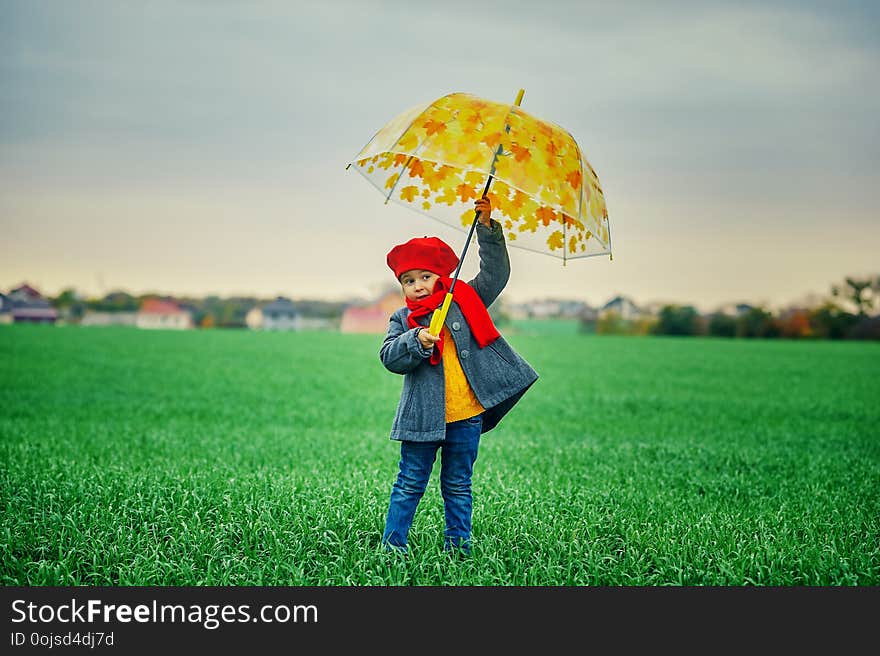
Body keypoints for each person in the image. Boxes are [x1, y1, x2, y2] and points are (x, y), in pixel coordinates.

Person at [379, 196, 539, 555]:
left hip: (466, 415)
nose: (418, 285)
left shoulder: (463, 299)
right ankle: (393, 548)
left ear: (441, 277)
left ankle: (458, 548)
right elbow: (389, 357)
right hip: (422, 418)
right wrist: (415, 341)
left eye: (425, 277)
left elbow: (496, 275)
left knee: (458, 484)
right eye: (408, 280)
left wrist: (486, 228)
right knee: (409, 483)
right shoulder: (404, 319)